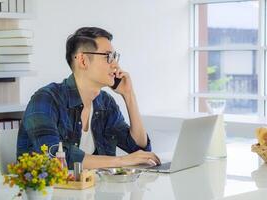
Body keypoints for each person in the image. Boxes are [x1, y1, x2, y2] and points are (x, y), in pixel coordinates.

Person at [17, 27, 160, 169]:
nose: (115, 65)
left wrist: (129, 95)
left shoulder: (105, 103)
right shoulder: (46, 99)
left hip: (94, 190)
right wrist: (120, 161)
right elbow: (53, 155)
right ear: (83, 61)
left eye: (115, 57)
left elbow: (140, 152)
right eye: (108, 57)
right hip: (50, 190)